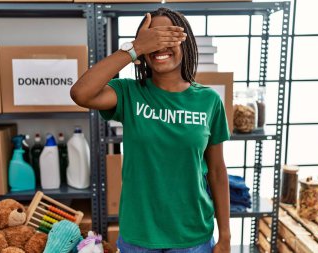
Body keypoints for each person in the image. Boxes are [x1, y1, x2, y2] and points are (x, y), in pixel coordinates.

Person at [71, 7, 231, 253]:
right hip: (139, 237)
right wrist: (133, 48)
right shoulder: (129, 93)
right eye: (152, 39)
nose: (160, 46)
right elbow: (81, 93)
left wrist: (226, 236)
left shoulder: (209, 101)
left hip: (193, 237)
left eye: (168, 36)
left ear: (185, 41)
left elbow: (218, 171)